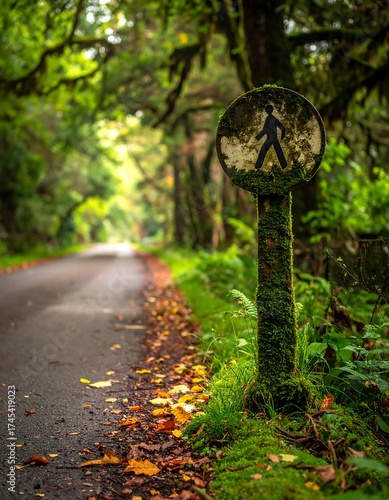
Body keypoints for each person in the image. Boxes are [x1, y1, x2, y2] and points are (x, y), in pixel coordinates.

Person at [255, 104, 287, 169]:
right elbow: (265, 129)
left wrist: (282, 136)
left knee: (264, 150)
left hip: (271, 138)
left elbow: (282, 128)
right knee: (278, 151)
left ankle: (258, 165)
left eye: (269, 110)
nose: (268, 111)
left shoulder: (273, 119)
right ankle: (284, 165)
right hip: (272, 138)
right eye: (267, 110)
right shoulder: (270, 119)